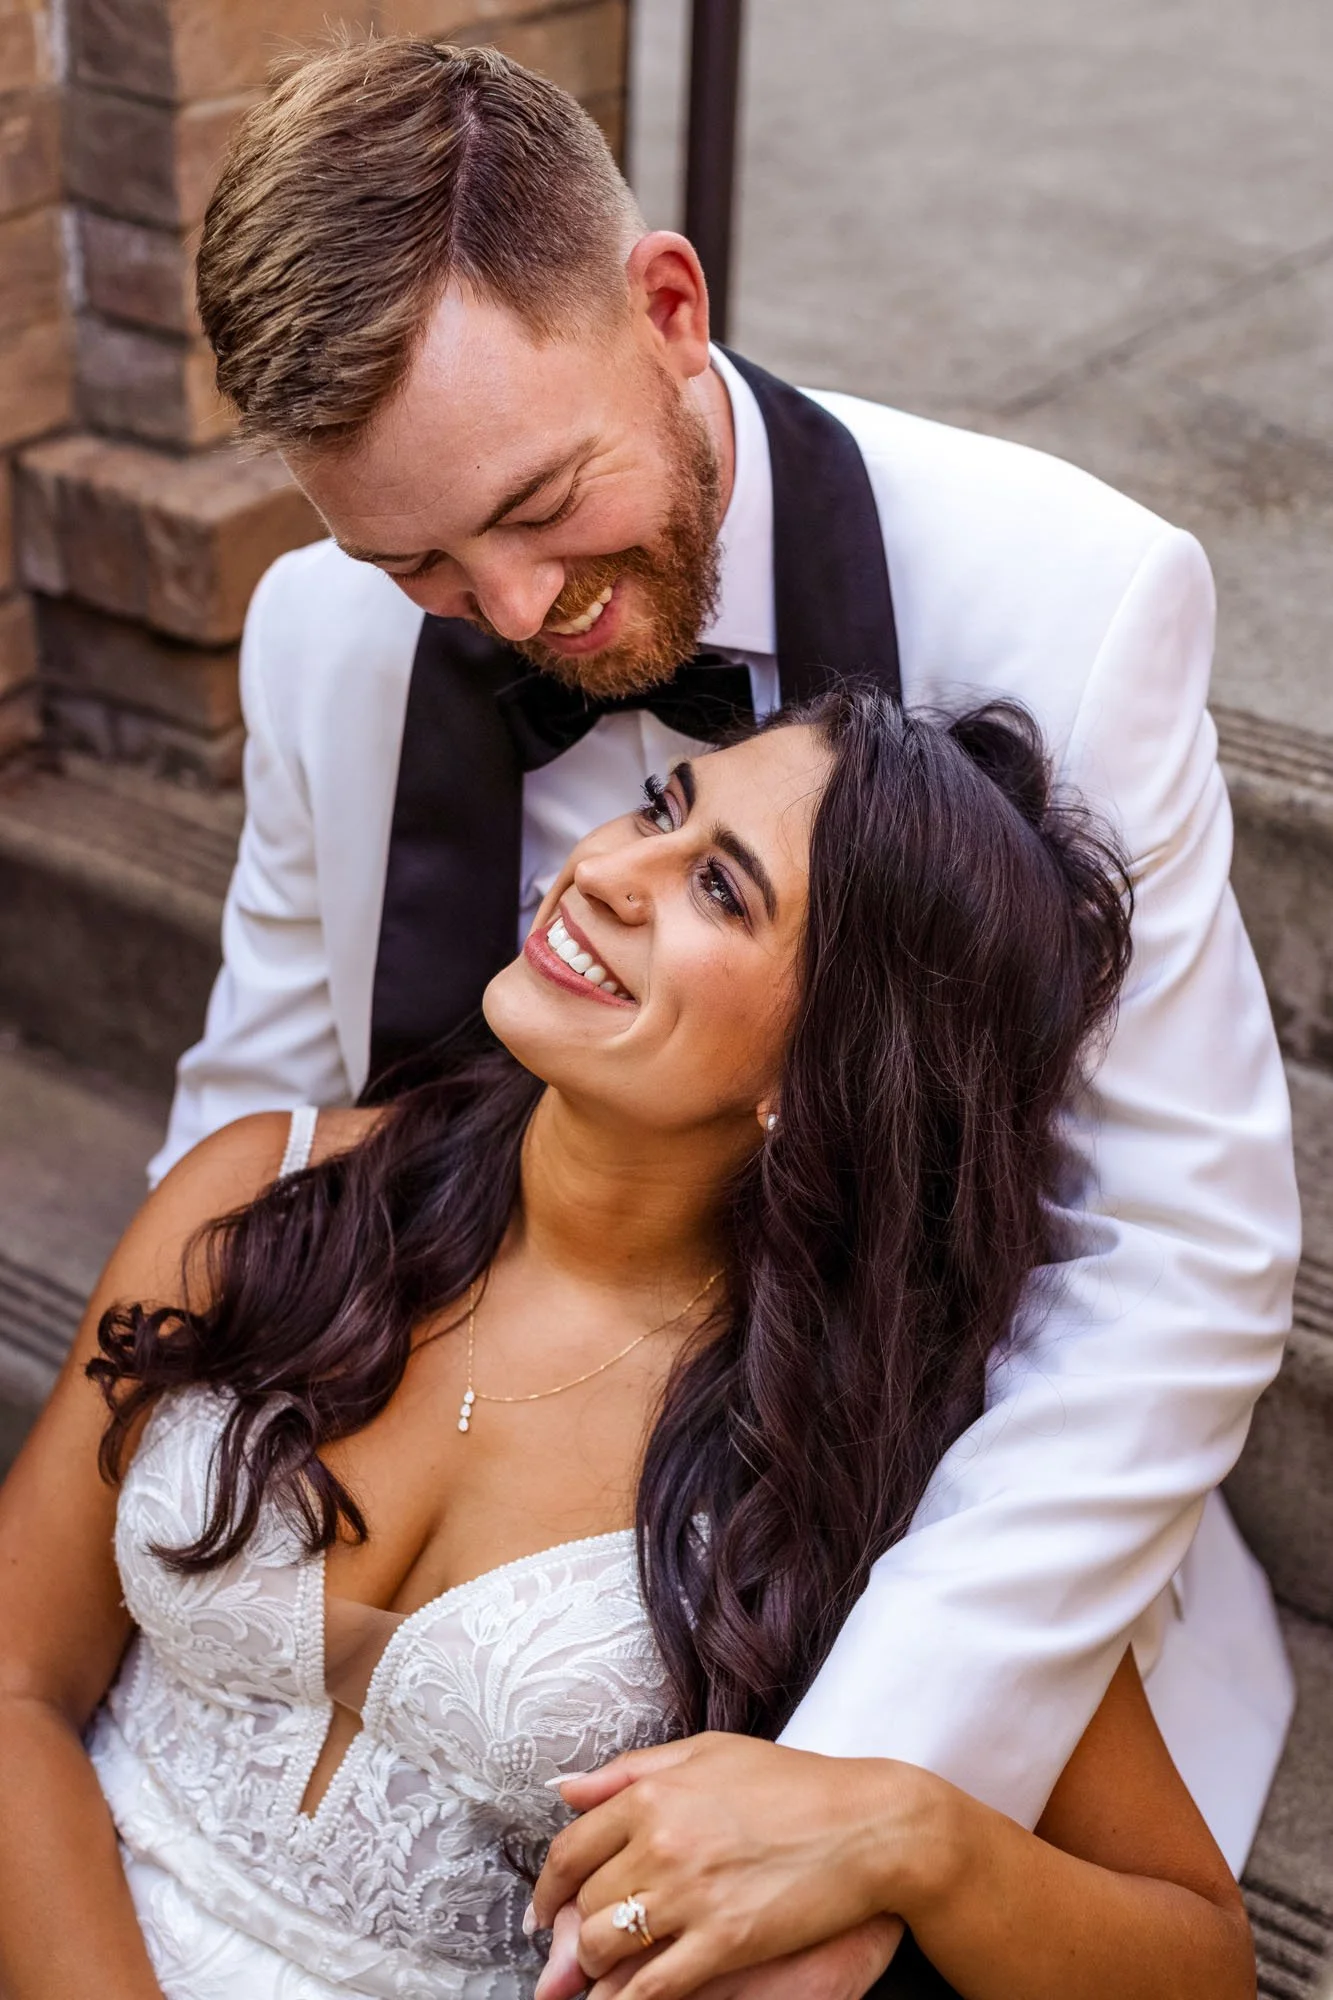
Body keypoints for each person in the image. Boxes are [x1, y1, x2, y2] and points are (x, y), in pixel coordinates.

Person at [156, 35, 1297, 1987]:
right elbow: (270, 1086)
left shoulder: (1071, 597)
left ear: (667, 306)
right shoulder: (320, 633)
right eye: (419, 559)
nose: (515, 612)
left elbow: (1176, 1268)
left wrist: (859, 1779)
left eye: (542, 501)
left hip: (878, 1532)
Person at [0, 695, 1261, 1999]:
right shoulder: (265, 1190)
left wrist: (917, 1837)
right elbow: (18, 1679)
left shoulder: (870, 1474)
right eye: (664, 807)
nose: (599, 868)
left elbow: (1202, 1958)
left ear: (822, 1061)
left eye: (719, 889)